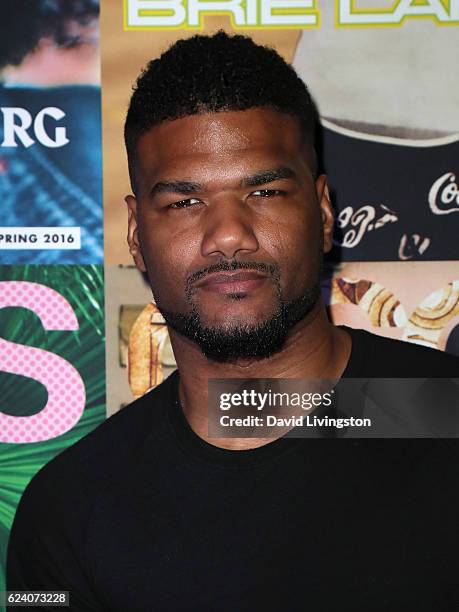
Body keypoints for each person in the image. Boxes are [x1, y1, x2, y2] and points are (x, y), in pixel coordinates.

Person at [7, 32, 459, 611]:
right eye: (184, 203)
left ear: (323, 213)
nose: (227, 235)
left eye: (264, 191)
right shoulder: (69, 510)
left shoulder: (441, 415)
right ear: (134, 236)